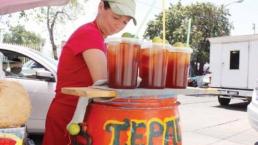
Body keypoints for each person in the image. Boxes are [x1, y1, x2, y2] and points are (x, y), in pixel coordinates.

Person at [42, 0, 136, 144]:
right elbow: (102, 82)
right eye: (116, 18)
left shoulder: (100, 39)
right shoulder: (89, 34)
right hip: (68, 116)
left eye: (125, 22)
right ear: (101, 6)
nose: (119, 25)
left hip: (80, 116)